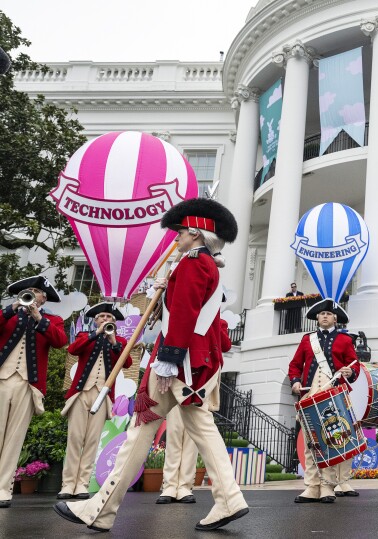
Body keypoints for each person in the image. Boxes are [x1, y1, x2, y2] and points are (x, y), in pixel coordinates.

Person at [54, 197, 249, 531]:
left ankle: (100, 510)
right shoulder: (203, 265)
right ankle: (229, 499)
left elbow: (186, 316)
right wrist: (163, 291)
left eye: (179, 233)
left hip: (182, 363)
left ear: (196, 233)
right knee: (199, 430)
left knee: (140, 431)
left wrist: (168, 360)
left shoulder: (190, 264)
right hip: (196, 362)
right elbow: (183, 311)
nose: (175, 238)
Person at [0, 276, 67, 508]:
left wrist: (40, 319)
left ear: (43, 298)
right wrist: (13, 308)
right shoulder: (8, 314)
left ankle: (3, 490)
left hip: (28, 385)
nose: (31, 294)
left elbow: (60, 341)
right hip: (2, 379)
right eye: (28, 291)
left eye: (36, 292)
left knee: (14, 439)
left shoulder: (52, 320)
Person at [288, 298, 360, 503]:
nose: (325, 316)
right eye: (322, 314)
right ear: (317, 318)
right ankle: (312, 486)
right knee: (311, 443)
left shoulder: (345, 340)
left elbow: (355, 366)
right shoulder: (307, 340)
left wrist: (350, 371)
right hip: (310, 396)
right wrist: (294, 381)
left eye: (329, 314)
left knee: (331, 441)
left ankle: (328, 486)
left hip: (334, 397)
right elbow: (295, 365)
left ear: (335, 318)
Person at [59, 303, 132, 500]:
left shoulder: (120, 341)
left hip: (102, 396)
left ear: (114, 321)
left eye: (109, 317)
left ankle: (82, 484)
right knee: (75, 438)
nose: (105, 319)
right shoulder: (85, 336)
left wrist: (113, 340)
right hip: (81, 393)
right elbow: (73, 349)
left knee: (92, 440)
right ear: (95, 320)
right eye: (101, 317)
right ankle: (67, 484)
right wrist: (95, 334)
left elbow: (126, 363)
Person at [157, 317, 233, 505]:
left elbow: (225, 345)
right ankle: (169, 485)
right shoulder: (180, 315)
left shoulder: (218, 321)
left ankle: (184, 486)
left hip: (201, 384)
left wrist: (214, 323)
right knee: (174, 435)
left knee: (192, 440)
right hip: (179, 382)